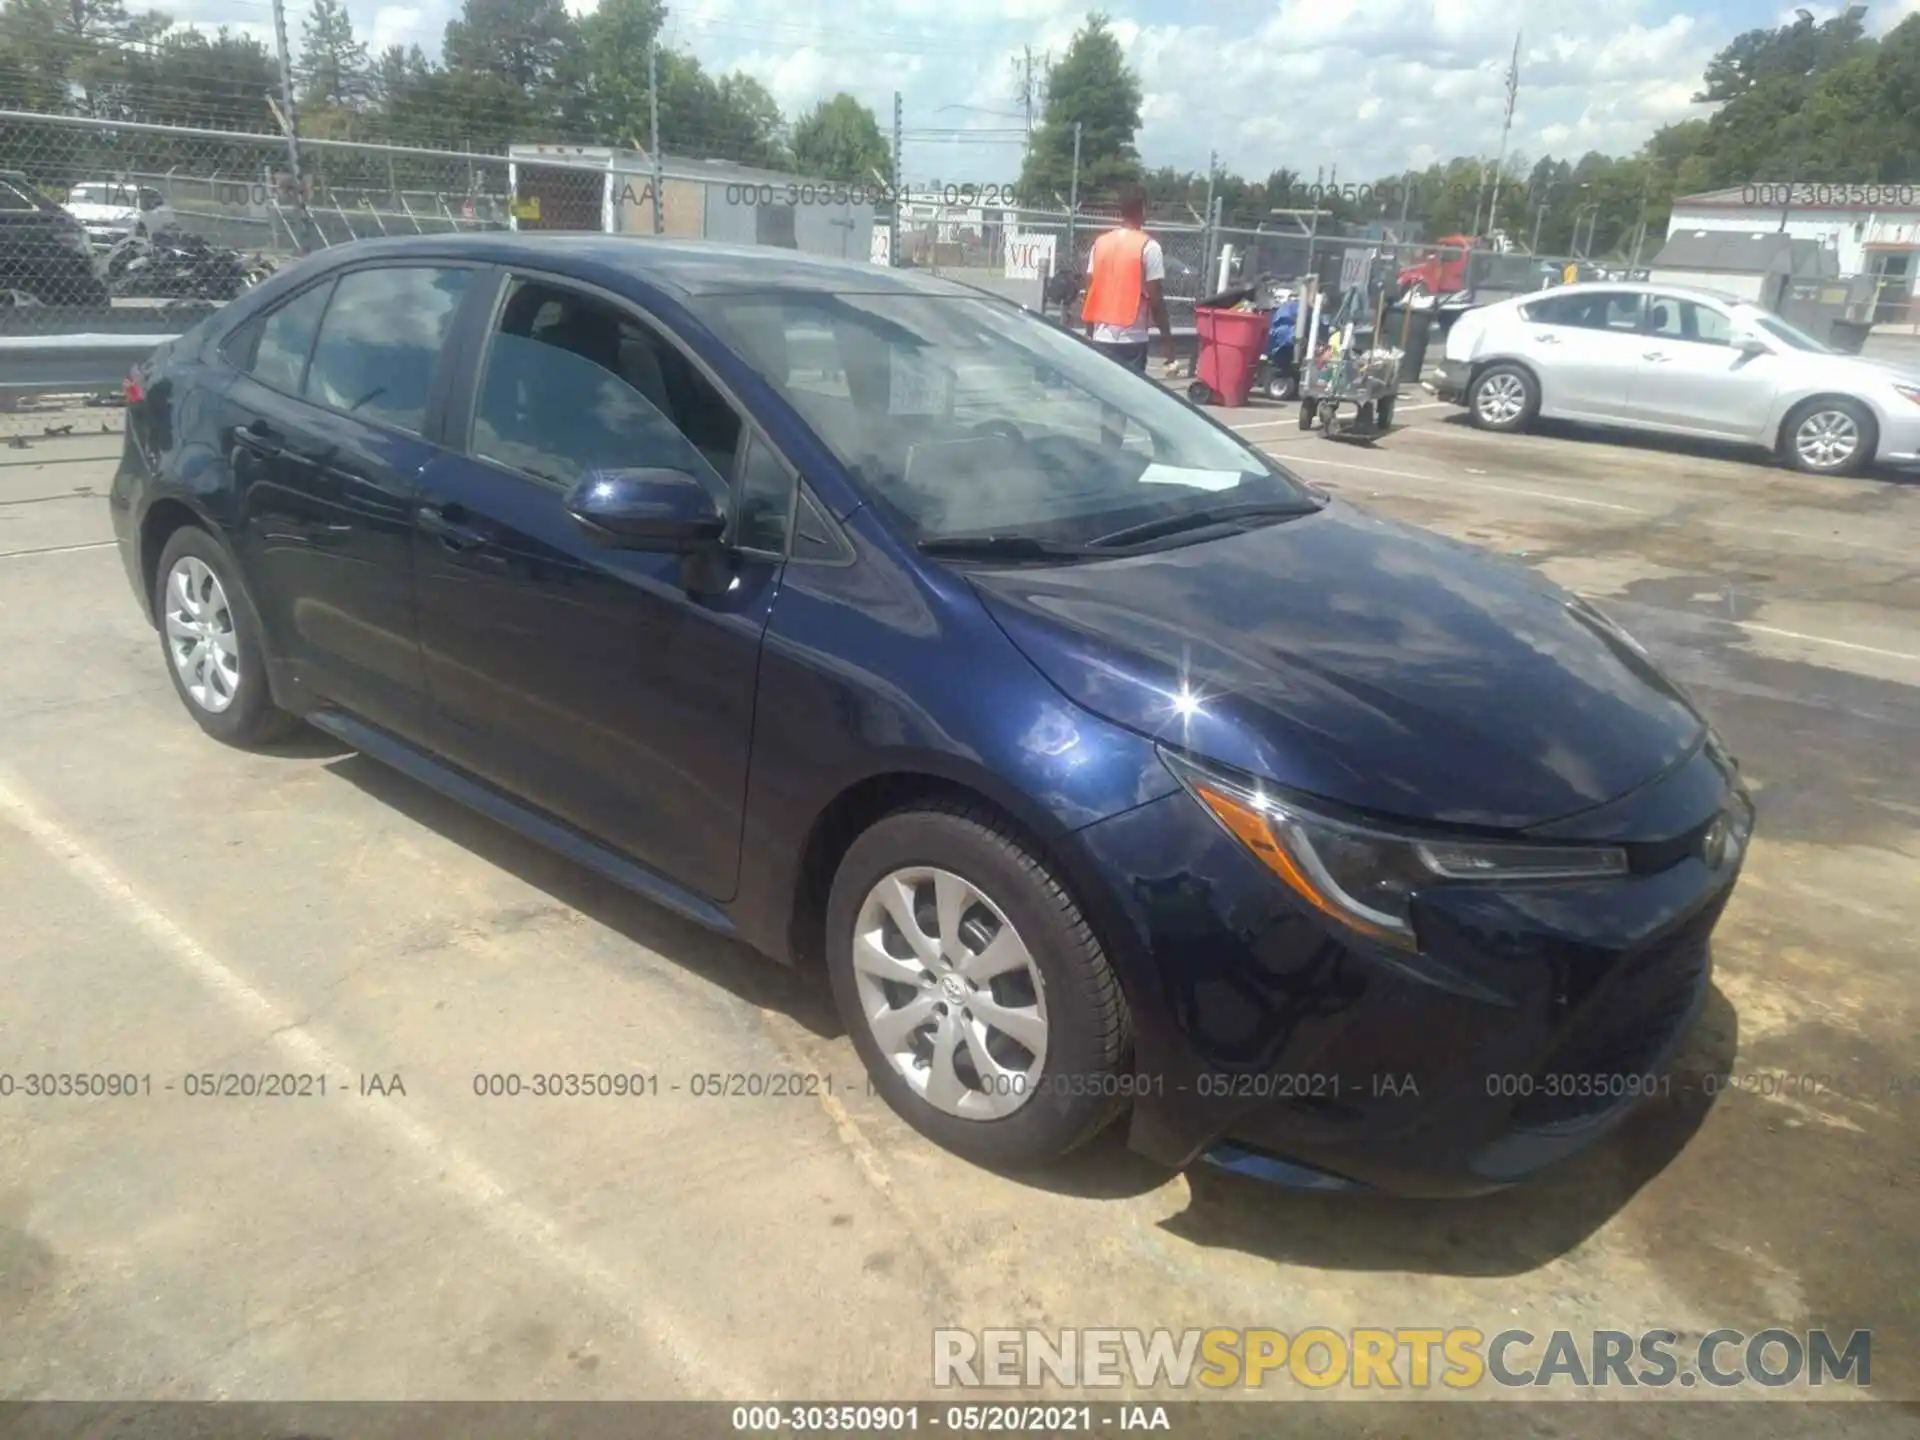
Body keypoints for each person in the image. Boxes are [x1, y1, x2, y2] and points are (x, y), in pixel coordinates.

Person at [1080, 184, 1176, 376]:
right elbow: (1156, 300)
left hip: (1102, 336)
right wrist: (1168, 344)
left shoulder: (1100, 244)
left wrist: (1090, 334)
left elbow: (1092, 293)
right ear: (1143, 209)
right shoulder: (1148, 246)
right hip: (1133, 339)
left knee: (1106, 399)